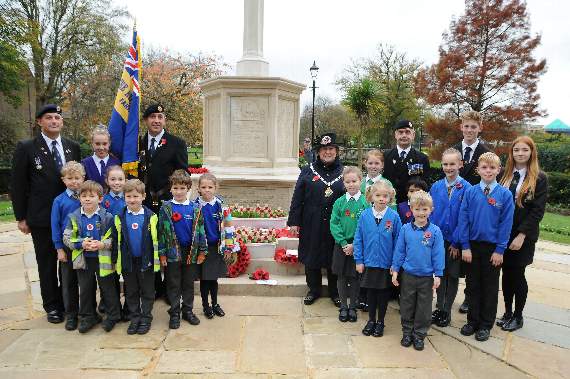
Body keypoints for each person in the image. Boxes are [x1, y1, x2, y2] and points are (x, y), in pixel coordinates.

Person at [11, 104, 81, 323]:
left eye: (57, 117)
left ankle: (69, 302)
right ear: (39, 122)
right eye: (49, 118)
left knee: (68, 262)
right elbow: (18, 184)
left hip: (70, 217)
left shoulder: (72, 147)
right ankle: (52, 305)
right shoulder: (27, 147)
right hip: (42, 217)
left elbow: (77, 179)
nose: (54, 121)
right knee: (47, 262)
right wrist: (21, 217)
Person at [458, 152, 514, 342]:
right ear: (478, 170)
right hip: (472, 247)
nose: (488, 171)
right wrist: (464, 245)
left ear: (499, 170)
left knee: (489, 288)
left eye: (492, 168)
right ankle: (472, 321)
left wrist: (500, 250)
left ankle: (485, 324)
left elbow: (506, 224)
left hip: (492, 249)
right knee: (472, 286)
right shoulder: (470, 192)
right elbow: (463, 219)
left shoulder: (505, 195)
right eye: (484, 167)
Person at [138, 103, 189, 300]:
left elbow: (184, 173)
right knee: (149, 245)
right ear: (146, 120)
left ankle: (170, 289)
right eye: (152, 117)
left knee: (169, 245)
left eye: (160, 117)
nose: (156, 120)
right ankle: (153, 288)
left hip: (169, 203)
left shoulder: (176, 143)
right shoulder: (138, 144)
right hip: (144, 204)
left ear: (164, 120)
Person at [497, 136, 548, 332]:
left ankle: (518, 316)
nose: (520, 153)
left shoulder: (539, 178)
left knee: (517, 274)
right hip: (504, 234)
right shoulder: (504, 174)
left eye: (524, 150)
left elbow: (537, 211)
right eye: (516, 149)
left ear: (531, 152)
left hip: (522, 236)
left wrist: (521, 235)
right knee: (506, 274)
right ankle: (508, 312)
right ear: (511, 153)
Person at [288, 133, 344, 307]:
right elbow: (297, 197)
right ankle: (314, 290)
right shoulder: (308, 170)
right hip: (311, 221)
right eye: (324, 149)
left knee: (334, 256)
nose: (327, 152)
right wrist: (294, 221)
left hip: (336, 223)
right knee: (311, 255)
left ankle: (336, 292)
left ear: (336, 151)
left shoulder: (344, 172)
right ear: (318, 152)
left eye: (331, 149)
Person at [62, 180, 121, 333]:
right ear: (79, 198)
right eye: (84, 196)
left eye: (91, 196)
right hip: (84, 261)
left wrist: (102, 244)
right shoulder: (73, 217)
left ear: (100, 198)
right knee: (86, 289)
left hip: (103, 260)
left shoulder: (108, 217)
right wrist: (81, 243)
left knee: (107, 288)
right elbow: (67, 238)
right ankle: (89, 316)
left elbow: (114, 239)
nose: (87, 199)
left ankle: (113, 315)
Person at [391, 190, 444, 351]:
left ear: (431, 209)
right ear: (411, 210)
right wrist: (395, 270)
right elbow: (399, 251)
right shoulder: (406, 229)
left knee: (424, 307)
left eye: (425, 209)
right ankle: (407, 332)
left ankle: (419, 334)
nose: (421, 213)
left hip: (427, 277)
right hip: (408, 275)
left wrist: (438, 274)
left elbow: (438, 254)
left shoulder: (435, 231)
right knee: (406, 304)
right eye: (417, 209)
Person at [453, 110, 492, 315]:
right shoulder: (453, 151)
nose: (469, 130)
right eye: (466, 126)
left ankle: (470, 297)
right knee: (453, 257)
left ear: (480, 128)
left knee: (472, 259)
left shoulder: (485, 153)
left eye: (473, 127)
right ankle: (447, 295)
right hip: (454, 210)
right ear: (461, 127)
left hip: (476, 213)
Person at [159, 170, 207, 329]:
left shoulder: (195, 208)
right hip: (172, 251)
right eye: (175, 188)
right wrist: (162, 253)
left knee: (188, 282)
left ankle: (187, 310)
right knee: (173, 283)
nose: (178, 192)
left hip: (190, 252)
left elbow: (200, 231)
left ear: (188, 189)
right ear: (171, 189)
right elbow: (161, 232)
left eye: (182, 188)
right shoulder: (166, 208)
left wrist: (202, 251)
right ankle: (174, 312)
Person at [429, 148, 472, 327]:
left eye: (452, 164)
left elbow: (466, 218)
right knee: (440, 272)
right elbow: (430, 213)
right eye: (445, 164)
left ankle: (447, 310)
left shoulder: (467, 188)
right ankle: (439, 306)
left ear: (460, 164)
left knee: (452, 275)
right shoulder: (436, 186)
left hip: (455, 241)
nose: (448, 167)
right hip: (438, 240)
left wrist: (457, 242)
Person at [354, 181, 402, 337]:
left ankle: (380, 321)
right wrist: (359, 260)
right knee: (371, 293)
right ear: (371, 197)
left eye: (385, 196)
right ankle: (371, 320)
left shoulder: (394, 217)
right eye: (378, 195)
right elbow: (358, 239)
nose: (382, 198)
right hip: (368, 262)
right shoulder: (364, 215)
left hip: (385, 264)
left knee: (383, 294)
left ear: (390, 197)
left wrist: (395, 265)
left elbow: (399, 243)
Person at [113, 179, 160, 335]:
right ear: (124, 197)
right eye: (128, 196)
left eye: (135, 196)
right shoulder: (119, 217)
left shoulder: (151, 217)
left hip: (146, 261)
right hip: (128, 261)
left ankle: (146, 318)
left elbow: (157, 240)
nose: (132, 200)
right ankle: (135, 318)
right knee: (131, 292)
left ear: (143, 196)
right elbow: (116, 241)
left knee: (147, 291)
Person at [193, 173, 238, 319]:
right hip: (202, 249)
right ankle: (206, 306)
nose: (207, 190)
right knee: (205, 279)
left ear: (216, 188)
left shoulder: (222, 206)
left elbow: (229, 227)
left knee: (213, 279)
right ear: (198, 188)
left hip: (217, 248)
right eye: (203, 187)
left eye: (210, 187)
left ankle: (215, 304)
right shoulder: (195, 206)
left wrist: (229, 247)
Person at [330, 166, 369, 323]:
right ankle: (344, 307)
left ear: (361, 181)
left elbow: (367, 225)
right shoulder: (339, 202)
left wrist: (355, 245)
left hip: (358, 246)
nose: (351, 184)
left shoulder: (366, 202)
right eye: (348, 181)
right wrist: (344, 242)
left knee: (354, 277)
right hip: (341, 245)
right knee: (341, 276)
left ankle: (353, 306)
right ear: (343, 183)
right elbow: (334, 223)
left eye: (354, 181)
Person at [50, 161, 85, 331]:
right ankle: (71, 314)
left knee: (86, 282)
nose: (74, 182)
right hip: (67, 248)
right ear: (63, 180)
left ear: (83, 178)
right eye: (70, 178)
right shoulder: (59, 201)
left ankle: (88, 312)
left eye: (77, 178)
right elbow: (55, 225)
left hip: (85, 246)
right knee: (68, 282)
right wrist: (59, 249)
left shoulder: (87, 197)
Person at [100, 165, 128, 320]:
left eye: (120, 179)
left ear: (125, 180)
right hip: (109, 244)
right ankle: (111, 303)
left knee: (127, 274)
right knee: (111, 276)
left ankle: (129, 307)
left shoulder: (129, 197)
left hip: (126, 243)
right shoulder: (103, 200)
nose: (117, 182)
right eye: (113, 179)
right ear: (107, 181)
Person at [383, 120, 430, 205]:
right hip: (388, 203)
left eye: (407, 132)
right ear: (395, 135)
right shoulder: (385, 156)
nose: (404, 135)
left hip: (412, 205)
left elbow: (424, 185)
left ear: (413, 135)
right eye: (400, 132)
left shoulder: (421, 158)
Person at [81, 125, 120, 190]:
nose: (101, 148)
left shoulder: (117, 163)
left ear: (109, 143)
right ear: (92, 143)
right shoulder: (85, 164)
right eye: (97, 144)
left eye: (104, 144)